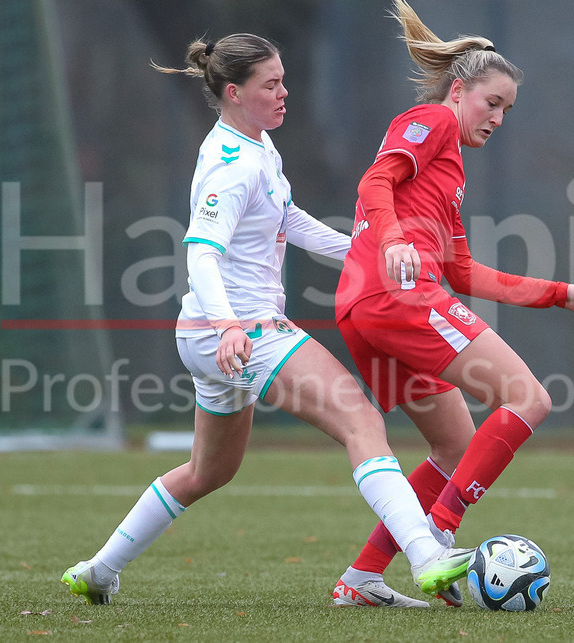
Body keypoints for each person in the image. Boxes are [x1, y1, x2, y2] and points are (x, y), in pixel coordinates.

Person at [61, 33, 474, 607]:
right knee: (361, 421)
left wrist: (369, 249)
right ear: (234, 92)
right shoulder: (231, 165)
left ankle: (98, 570)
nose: (285, 93)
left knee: (208, 471)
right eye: (270, 84)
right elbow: (201, 251)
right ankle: (427, 557)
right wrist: (230, 325)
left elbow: (291, 220)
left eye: (284, 79)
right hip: (239, 331)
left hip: (210, 336)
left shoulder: (256, 147)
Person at [330, 0, 574, 608]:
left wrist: (558, 293)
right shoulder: (430, 121)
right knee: (529, 398)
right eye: (492, 103)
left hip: (366, 310)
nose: (498, 117)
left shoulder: (451, 173)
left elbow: (464, 273)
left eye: (508, 109)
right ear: (458, 92)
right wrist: (397, 239)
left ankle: (362, 579)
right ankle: (439, 530)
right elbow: (374, 180)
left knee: (454, 445)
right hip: (395, 296)